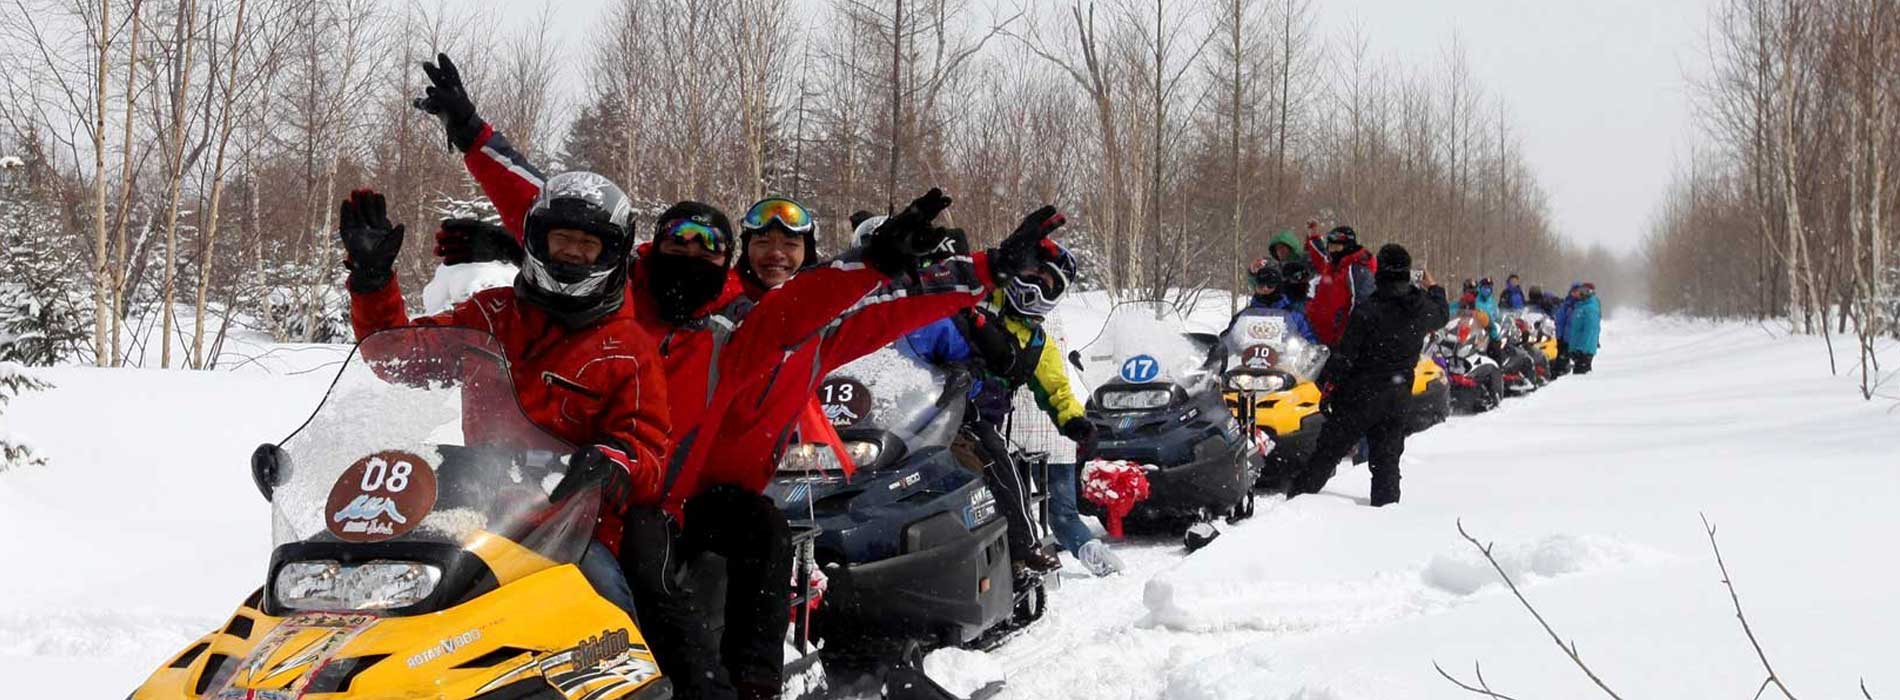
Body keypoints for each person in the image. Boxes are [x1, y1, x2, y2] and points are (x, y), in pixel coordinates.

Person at [414, 52, 1038, 700]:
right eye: (757, 241)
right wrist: (474, 139)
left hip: (683, 497)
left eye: (791, 245)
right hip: (579, 486)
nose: (773, 253)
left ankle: (748, 685)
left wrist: (968, 271)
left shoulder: (763, 332)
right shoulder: (633, 298)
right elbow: (558, 221)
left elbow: (866, 309)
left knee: (755, 530)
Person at [335, 186, 669, 615]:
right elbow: (397, 355)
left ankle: (633, 680)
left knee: (606, 614)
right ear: (537, 238)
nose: (572, 253)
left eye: (589, 244)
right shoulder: (490, 315)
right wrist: (372, 279)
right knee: (393, 599)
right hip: (474, 513)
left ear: (610, 254)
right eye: (562, 239)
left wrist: (614, 461)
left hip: (571, 531)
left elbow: (650, 452)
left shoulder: (629, 348)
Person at [899, 236, 1091, 576]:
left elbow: (1056, 386)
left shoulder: (1035, 342)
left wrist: (1074, 419)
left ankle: (1024, 546)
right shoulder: (973, 299)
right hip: (915, 404)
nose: (1034, 284)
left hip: (973, 418)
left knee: (997, 462)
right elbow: (918, 324)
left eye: (1046, 282)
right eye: (1031, 272)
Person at [1290, 244, 1448, 506]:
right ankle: (1384, 520)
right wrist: (1434, 287)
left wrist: (1327, 386)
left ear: (1380, 272)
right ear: (1406, 272)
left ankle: (1292, 509)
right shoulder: (1420, 306)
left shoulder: (1368, 309)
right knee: (1386, 466)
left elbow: (1344, 355)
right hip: (1397, 396)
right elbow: (1442, 314)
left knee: (1325, 457)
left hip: (1359, 395)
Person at [1006, 313, 1122, 576]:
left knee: (1014, 508)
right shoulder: (1053, 320)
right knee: (1063, 513)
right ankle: (1092, 552)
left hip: (1012, 427)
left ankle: (1024, 562)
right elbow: (1057, 381)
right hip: (1058, 428)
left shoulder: (1009, 317)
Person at [1305, 225, 1376, 348]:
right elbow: (1320, 256)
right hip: (1319, 335)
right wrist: (1314, 237)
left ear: (1348, 246)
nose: (1333, 251)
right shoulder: (1333, 265)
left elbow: (1361, 305)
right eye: (1331, 246)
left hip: (1341, 340)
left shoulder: (1356, 269)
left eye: (1337, 247)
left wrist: (1348, 337)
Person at [734, 196, 818, 300]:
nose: (776, 253)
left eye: (790, 244)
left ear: (807, 251)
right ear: (747, 250)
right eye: (763, 242)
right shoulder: (720, 302)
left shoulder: (829, 307)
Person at [1228, 258, 1317, 343]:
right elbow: (1229, 338)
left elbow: (1309, 337)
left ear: (1278, 286)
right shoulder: (1243, 317)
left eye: (1270, 284)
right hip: (1249, 357)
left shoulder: (1294, 315)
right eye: (1261, 284)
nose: (1265, 288)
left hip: (1284, 357)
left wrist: (1311, 351)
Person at [1565, 283, 1601, 374]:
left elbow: (1590, 330)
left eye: (1583, 291)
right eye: (1580, 291)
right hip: (1578, 349)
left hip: (1584, 351)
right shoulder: (1581, 306)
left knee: (1581, 376)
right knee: (1578, 375)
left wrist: (1581, 350)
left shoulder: (1590, 308)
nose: (1581, 294)